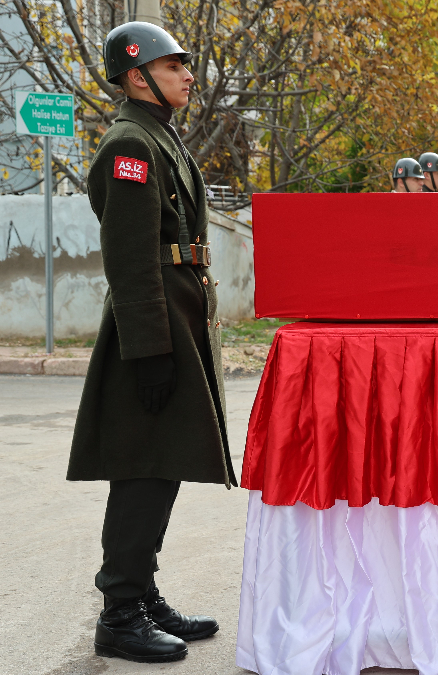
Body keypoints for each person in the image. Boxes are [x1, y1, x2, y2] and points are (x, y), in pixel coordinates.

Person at [69, 21, 235, 663]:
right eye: (173, 66)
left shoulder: (158, 134)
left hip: (174, 318)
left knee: (160, 462)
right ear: (137, 76)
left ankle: (140, 594)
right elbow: (130, 258)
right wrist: (149, 350)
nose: (188, 75)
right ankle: (119, 614)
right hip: (152, 325)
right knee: (144, 468)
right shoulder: (129, 144)